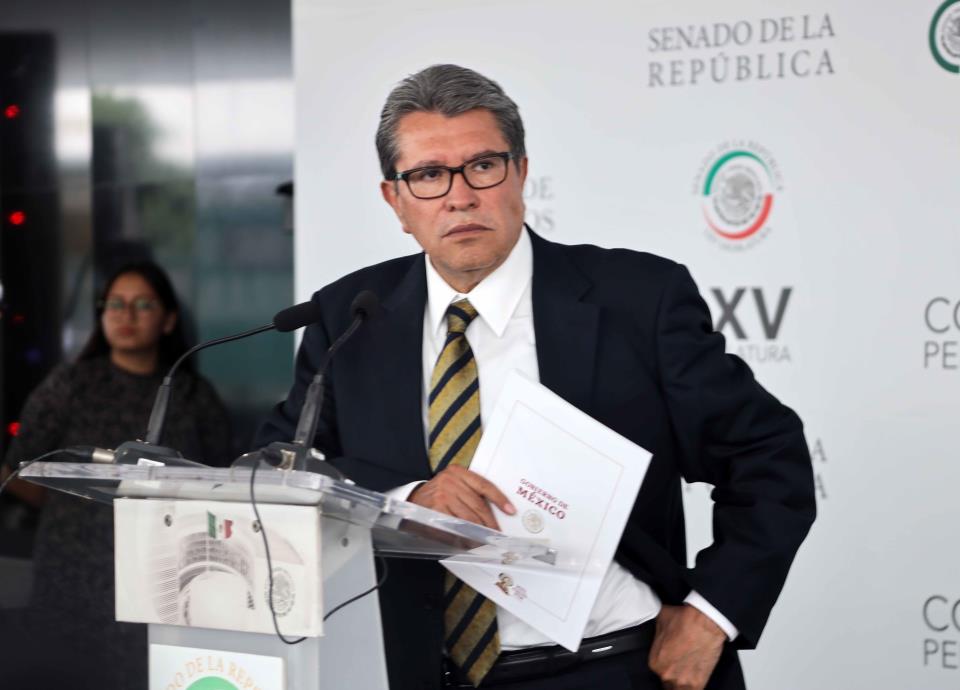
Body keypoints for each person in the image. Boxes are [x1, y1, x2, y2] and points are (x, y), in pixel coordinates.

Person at [255, 64, 816, 690]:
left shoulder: (638, 301)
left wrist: (713, 615)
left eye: (483, 165)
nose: (460, 196)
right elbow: (280, 469)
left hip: (609, 669)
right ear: (396, 200)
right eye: (429, 175)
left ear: (520, 172)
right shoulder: (350, 315)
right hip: (414, 673)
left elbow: (767, 456)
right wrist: (407, 500)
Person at [1, 260, 233, 689]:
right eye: (115, 304)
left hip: (162, 576)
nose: (126, 315)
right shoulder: (71, 384)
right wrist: (76, 506)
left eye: (142, 305)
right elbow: (21, 470)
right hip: (72, 573)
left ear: (168, 319)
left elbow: (220, 484)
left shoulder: (191, 394)